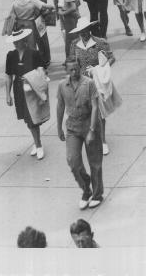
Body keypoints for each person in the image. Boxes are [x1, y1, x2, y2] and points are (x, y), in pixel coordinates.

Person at [57, 58, 104, 210]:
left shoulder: (89, 83)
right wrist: (59, 127)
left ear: (80, 67)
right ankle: (86, 189)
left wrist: (91, 131)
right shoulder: (62, 85)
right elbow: (60, 105)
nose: (74, 72)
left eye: (76, 68)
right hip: (72, 126)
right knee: (72, 160)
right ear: (66, 70)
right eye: (70, 69)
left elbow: (95, 107)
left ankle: (97, 194)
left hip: (89, 124)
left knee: (95, 162)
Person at [6, 28, 48, 160]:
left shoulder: (33, 53)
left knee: (33, 119)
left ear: (24, 40)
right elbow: (8, 76)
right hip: (18, 90)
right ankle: (36, 142)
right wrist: (8, 94)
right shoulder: (10, 55)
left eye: (18, 40)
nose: (15, 43)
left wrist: (32, 78)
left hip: (31, 89)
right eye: (14, 41)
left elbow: (41, 72)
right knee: (27, 118)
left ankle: (38, 145)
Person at [6, 0, 54, 70]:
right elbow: (46, 6)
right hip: (31, 24)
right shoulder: (33, 0)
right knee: (32, 46)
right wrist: (52, 7)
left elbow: (10, 14)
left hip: (20, 26)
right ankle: (34, 66)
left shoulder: (15, 1)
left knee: (23, 46)